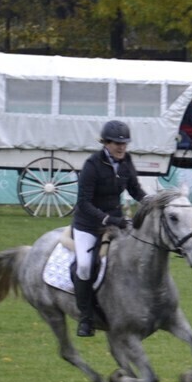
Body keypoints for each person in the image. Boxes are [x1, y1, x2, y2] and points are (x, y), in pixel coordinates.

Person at [71, 120, 148, 338]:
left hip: (117, 222)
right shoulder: (92, 165)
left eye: (124, 143)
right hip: (88, 225)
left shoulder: (127, 161)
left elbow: (134, 189)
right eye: (116, 143)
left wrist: (151, 202)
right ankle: (86, 318)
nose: (121, 147)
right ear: (106, 143)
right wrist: (108, 219)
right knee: (85, 266)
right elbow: (84, 203)